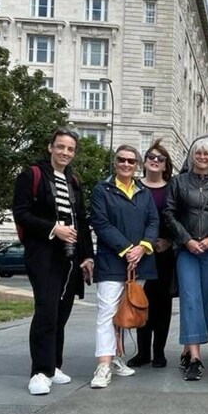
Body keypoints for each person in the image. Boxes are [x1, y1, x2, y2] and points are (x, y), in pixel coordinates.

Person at [12, 128, 94, 396]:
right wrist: (53, 229)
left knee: (62, 311)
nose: (65, 153)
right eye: (60, 147)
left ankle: (54, 364)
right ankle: (39, 370)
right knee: (46, 310)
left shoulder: (74, 181)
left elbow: (81, 220)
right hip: (43, 254)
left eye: (70, 149)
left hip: (70, 256)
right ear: (50, 147)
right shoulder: (31, 175)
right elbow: (21, 213)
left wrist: (86, 256)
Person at [89, 145, 159, 389]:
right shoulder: (102, 190)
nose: (126, 165)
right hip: (112, 261)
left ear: (137, 165)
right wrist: (126, 248)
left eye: (131, 161)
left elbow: (153, 221)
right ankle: (104, 365)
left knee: (125, 312)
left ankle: (117, 357)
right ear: (115, 162)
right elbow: (100, 222)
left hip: (139, 262)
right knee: (107, 312)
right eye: (122, 160)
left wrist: (143, 246)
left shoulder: (143, 192)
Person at [163, 138, 208, 381]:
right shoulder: (178, 182)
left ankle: (187, 347)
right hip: (187, 250)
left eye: (207, 154)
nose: (202, 157)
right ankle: (195, 358)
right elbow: (169, 214)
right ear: (192, 156)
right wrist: (186, 240)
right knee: (191, 298)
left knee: (206, 301)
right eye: (198, 153)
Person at [127, 140, 175, 369]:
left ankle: (159, 352)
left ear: (166, 165)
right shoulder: (134, 186)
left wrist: (171, 242)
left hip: (163, 254)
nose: (155, 161)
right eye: (151, 157)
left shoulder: (172, 188)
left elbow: (179, 218)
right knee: (140, 300)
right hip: (138, 253)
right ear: (144, 161)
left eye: (160, 158)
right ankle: (143, 351)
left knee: (162, 303)